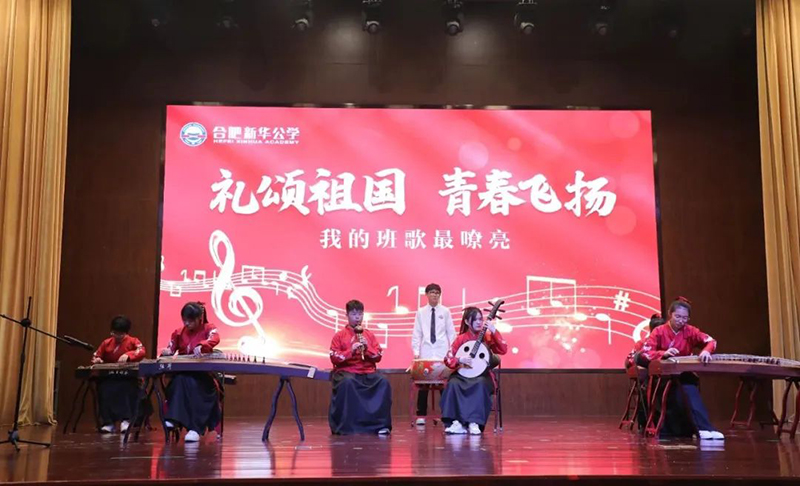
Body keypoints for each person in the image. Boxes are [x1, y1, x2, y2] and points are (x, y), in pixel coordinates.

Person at [640, 297, 724, 440]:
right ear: (670, 314)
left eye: (685, 318)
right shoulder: (659, 331)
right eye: (677, 316)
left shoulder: (690, 331)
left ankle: (704, 428)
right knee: (682, 392)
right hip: (662, 376)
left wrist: (706, 351)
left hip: (683, 373)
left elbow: (711, 341)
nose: (681, 321)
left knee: (689, 389)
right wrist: (663, 353)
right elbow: (645, 353)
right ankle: (701, 428)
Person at [160, 301, 221, 443]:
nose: (187, 323)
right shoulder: (178, 332)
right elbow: (170, 348)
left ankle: (194, 428)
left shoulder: (209, 328)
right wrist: (167, 352)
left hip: (203, 377)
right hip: (183, 373)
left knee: (191, 384)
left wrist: (202, 345)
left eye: (191, 321)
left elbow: (215, 338)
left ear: (200, 318)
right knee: (179, 381)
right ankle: (176, 420)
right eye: (184, 320)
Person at [328, 299, 392, 435]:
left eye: (360, 314)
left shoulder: (369, 335)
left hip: (367, 371)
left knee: (383, 382)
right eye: (353, 314)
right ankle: (348, 426)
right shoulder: (339, 336)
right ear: (347, 315)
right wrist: (350, 350)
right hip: (347, 371)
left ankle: (380, 425)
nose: (357, 317)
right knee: (348, 382)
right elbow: (334, 357)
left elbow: (378, 356)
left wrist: (367, 349)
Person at [441, 306, 507, 435]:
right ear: (467, 321)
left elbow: (503, 349)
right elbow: (448, 359)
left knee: (480, 384)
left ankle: (474, 422)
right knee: (453, 383)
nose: (479, 322)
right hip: (463, 374)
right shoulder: (460, 339)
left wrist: (494, 331)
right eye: (475, 319)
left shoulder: (487, 337)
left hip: (482, 375)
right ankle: (456, 422)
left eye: (480, 319)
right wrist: (459, 360)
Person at [91, 315, 146, 433]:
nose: (117, 336)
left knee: (125, 388)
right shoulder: (106, 343)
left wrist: (129, 355)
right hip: (110, 376)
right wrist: (98, 360)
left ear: (126, 333)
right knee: (104, 388)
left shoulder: (133, 341)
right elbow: (97, 355)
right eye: (115, 333)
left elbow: (141, 351)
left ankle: (126, 420)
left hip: (128, 377)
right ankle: (108, 422)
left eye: (120, 334)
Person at [411, 283, 456, 426]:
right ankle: (421, 414)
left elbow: (451, 332)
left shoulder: (445, 311)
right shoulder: (420, 312)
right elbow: (417, 334)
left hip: (442, 351)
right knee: (423, 384)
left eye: (437, 292)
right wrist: (416, 352)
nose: (434, 295)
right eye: (432, 292)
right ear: (426, 295)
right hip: (426, 351)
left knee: (443, 384)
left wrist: (452, 352)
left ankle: (446, 414)